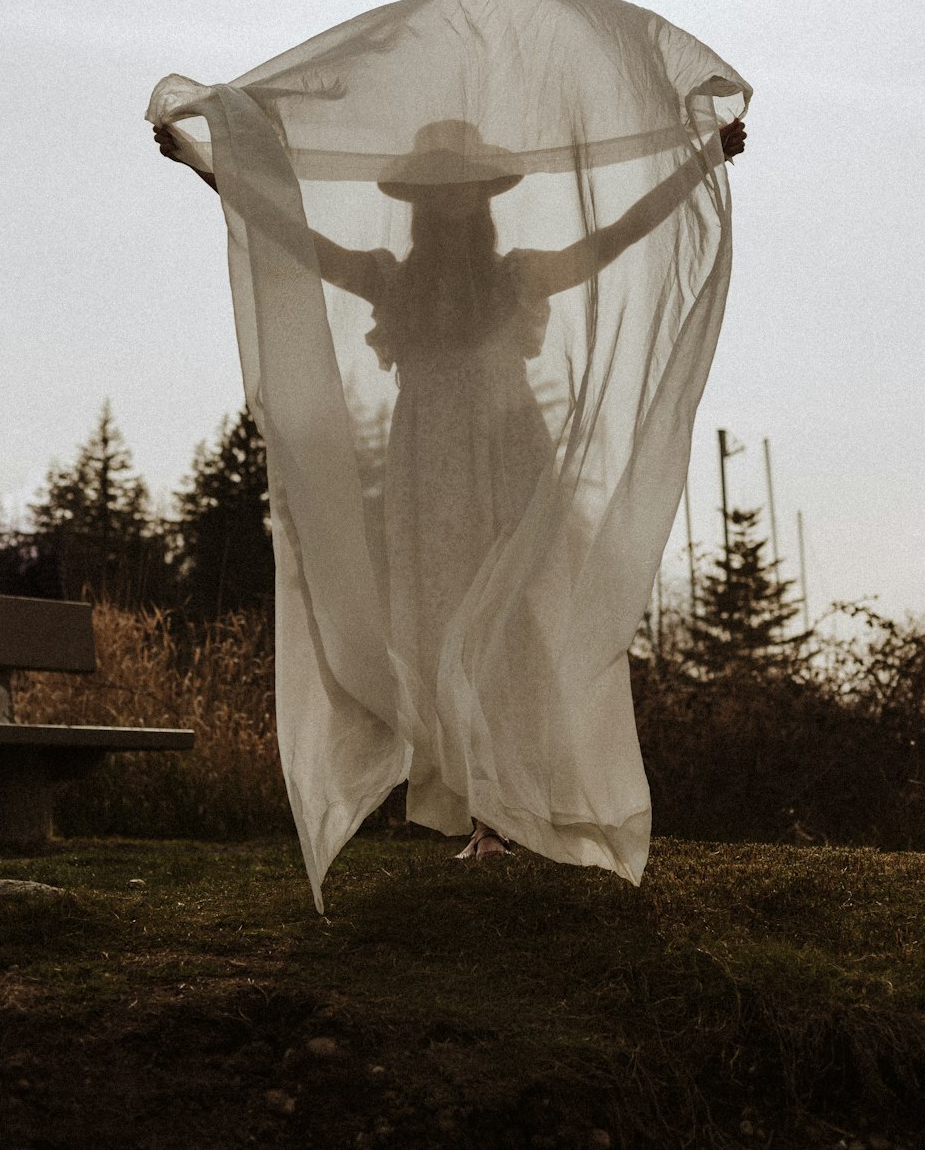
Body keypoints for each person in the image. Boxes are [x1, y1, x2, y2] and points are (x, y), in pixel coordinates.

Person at [154, 114, 746, 860]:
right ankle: (486, 818)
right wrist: (203, 163)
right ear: (418, 204)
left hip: (509, 455)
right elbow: (292, 237)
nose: (449, 203)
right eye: (436, 192)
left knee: (516, 628)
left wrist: (700, 163)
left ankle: (519, 810)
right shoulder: (387, 276)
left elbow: (615, 236)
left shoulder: (516, 274)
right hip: (426, 463)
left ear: (481, 197)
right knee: (440, 624)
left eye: (460, 189)